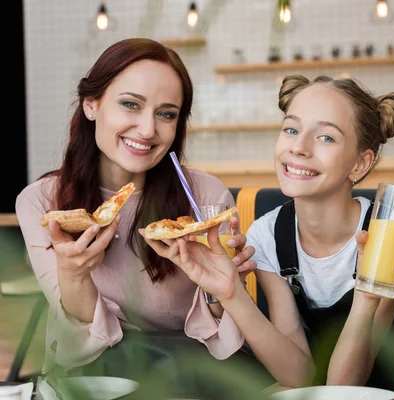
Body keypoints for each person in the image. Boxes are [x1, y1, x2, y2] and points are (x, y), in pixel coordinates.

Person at [144, 74, 394, 392]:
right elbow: (301, 378)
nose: (298, 147)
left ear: (359, 164)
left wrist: (369, 297)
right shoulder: (270, 234)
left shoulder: (391, 237)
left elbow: (344, 386)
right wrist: (231, 294)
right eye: (291, 129)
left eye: (326, 138)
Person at [15, 38, 261, 398]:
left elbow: (219, 333)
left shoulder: (206, 197)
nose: (148, 130)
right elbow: (86, 336)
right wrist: (74, 271)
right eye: (131, 104)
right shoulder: (42, 203)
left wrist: (221, 288)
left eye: (166, 114)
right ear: (91, 104)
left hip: (193, 373)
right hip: (98, 373)